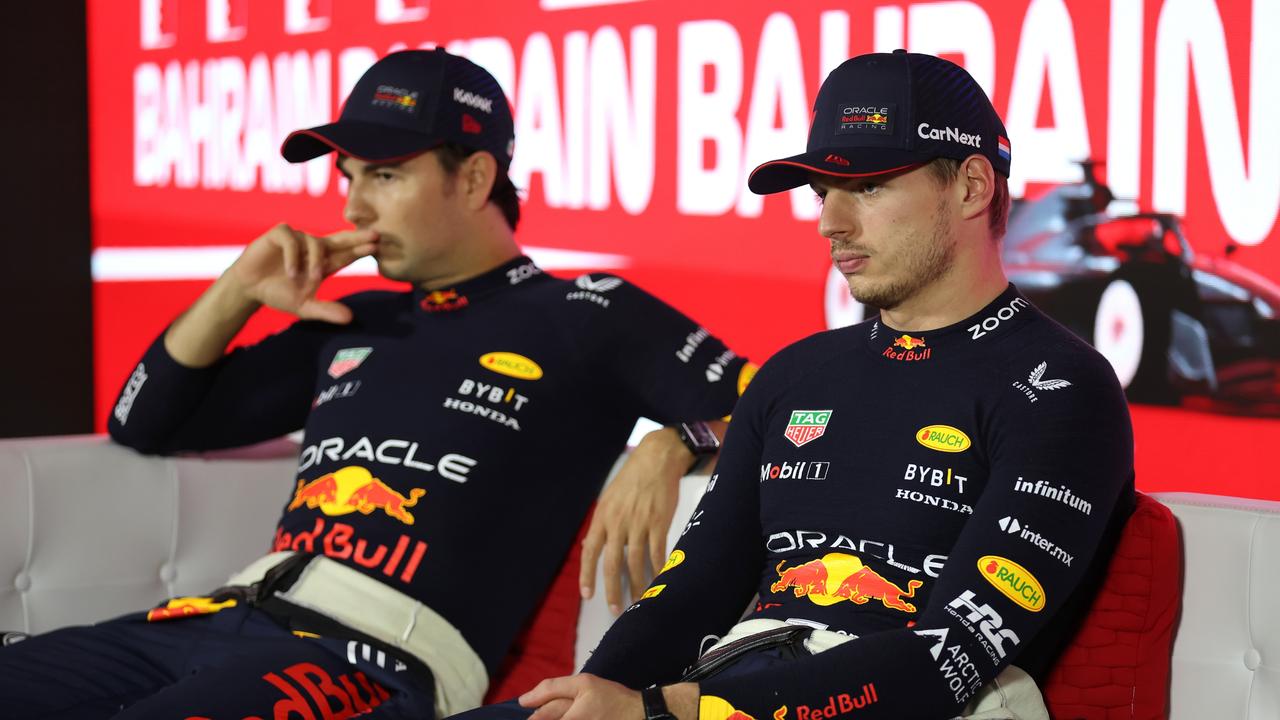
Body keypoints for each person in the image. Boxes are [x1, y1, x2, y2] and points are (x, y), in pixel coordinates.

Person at [0, 49, 752, 719]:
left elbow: (800, 408)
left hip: (380, 657)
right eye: (351, 177)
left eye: (386, 175)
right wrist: (236, 288)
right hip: (216, 613)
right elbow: (146, 422)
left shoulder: (587, 311)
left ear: (476, 176)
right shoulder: (351, 318)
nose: (353, 207)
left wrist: (673, 443)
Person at [462, 50, 1135, 720]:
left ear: (970, 186)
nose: (828, 223)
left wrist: (669, 711)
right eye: (823, 194)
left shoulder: (1064, 387)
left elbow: (942, 661)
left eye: (867, 188)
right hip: (729, 691)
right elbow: (694, 589)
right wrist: (595, 696)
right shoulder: (796, 373)